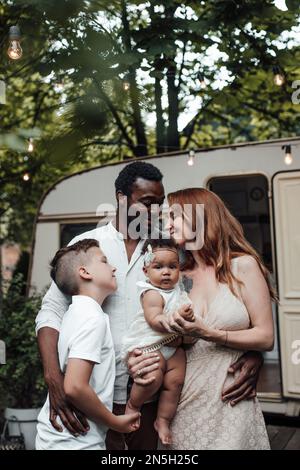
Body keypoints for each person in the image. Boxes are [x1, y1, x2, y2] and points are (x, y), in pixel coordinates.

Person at [35, 161, 264, 451]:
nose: (156, 211)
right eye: (146, 203)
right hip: (96, 398)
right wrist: (54, 378)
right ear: (121, 198)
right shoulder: (87, 247)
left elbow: (216, 305)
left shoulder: (167, 248)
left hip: (153, 397)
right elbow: (51, 313)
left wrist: (250, 351)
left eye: (159, 203)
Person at [163, 188, 275, 450]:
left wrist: (211, 334)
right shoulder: (176, 276)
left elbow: (265, 336)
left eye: (174, 217)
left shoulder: (243, 266)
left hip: (231, 398)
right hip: (184, 401)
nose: (167, 225)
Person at [36, 239, 140, 450]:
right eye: (104, 261)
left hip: (60, 439)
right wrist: (115, 422)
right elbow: (74, 386)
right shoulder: (92, 318)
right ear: (84, 273)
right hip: (74, 441)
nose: (113, 267)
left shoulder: (75, 314)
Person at [121, 238, 195, 445]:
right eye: (158, 266)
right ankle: (134, 405)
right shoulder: (151, 293)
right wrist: (174, 319)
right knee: (151, 378)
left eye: (172, 267)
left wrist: (189, 318)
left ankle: (162, 420)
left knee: (175, 382)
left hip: (173, 348)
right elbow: (155, 319)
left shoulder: (180, 293)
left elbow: (191, 327)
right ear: (146, 271)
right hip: (151, 345)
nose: (166, 272)